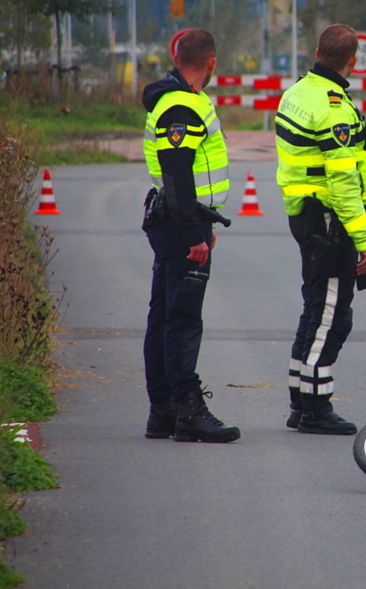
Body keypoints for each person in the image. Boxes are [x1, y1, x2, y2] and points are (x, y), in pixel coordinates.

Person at [275, 24, 366, 435]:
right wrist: (365, 240)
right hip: (328, 219)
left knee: (315, 308)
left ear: (317, 50)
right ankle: (316, 407)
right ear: (353, 60)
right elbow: (341, 183)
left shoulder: (297, 92)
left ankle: (300, 401)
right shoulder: (334, 107)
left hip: (304, 213)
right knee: (333, 316)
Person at [140, 28, 241, 443]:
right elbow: (178, 174)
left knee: (165, 317)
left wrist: (203, 224)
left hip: (183, 221)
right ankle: (186, 410)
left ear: (175, 56)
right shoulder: (181, 105)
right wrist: (192, 233)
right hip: (181, 224)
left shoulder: (182, 98)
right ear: (211, 62)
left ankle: (163, 413)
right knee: (181, 321)